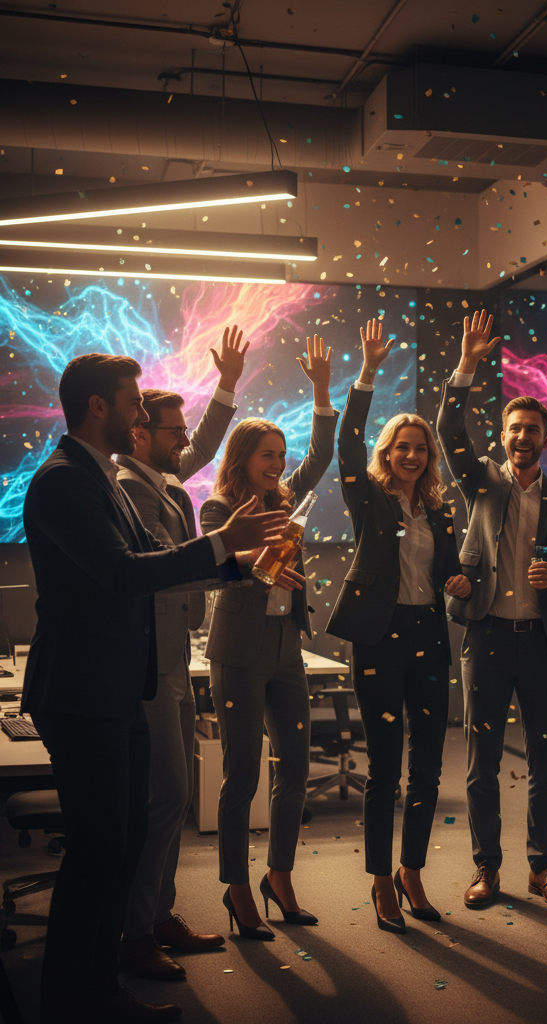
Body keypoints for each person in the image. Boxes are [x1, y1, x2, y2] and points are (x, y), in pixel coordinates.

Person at [21, 353, 285, 1024]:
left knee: (121, 843)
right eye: (133, 401)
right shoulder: (64, 480)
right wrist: (223, 544)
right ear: (98, 406)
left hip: (117, 686)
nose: (141, 414)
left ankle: (100, 989)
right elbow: (122, 574)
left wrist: (238, 565)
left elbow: (155, 565)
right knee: (97, 853)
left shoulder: (99, 475)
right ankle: (69, 1002)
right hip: (82, 691)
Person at [437, 310, 547, 911]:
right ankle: (487, 868)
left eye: (533, 430)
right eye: (514, 428)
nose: (523, 437)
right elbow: (449, 428)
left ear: (546, 439)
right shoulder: (480, 482)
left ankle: (541, 868)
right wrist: (467, 364)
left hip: (543, 645)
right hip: (488, 639)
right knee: (483, 765)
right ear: (502, 436)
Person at [326, 318, 472, 934]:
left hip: (428, 638)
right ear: (387, 454)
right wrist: (366, 372)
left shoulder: (440, 512)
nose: (412, 456)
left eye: (421, 449)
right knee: (385, 767)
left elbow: (450, 573)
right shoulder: (369, 498)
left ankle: (412, 870)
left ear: (430, 458)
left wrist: (460, 583)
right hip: (379, 641)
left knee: (429, 766)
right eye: (402, 447)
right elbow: (347, 441)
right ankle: (381, 878)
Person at [115, 325, 248, 980]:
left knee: (172, 795)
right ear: (140, 433)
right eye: (174, 431)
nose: (184, 440)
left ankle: (158, 914)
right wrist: (234, 563)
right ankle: (135, 929)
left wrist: (226, 385)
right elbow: (163, 568)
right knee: (165, 795)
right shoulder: (131, 488)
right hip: (149, 664)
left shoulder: (161, 479)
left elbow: (201, 446)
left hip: (173, 656)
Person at [200, 334, 337, 941]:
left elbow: (322, 453)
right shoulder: (216, 510)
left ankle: (278, 877)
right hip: (238, 650)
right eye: (267, 455)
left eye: (281, 455)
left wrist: (321, 390)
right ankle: (235, 887)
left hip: (287, 647)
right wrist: (259, 565)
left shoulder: (287, 498)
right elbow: (216, 569)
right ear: (242, 459)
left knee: (297, 770)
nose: (278, 464)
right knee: (242, 776)